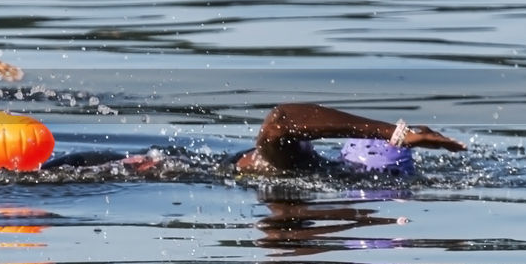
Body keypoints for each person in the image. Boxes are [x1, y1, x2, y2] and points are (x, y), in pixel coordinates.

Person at [42, 103, 466, 175]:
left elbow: (282, 119)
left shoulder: (310, 166)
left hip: (113, 170)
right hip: (136, 167)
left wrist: (392, 132)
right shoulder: (318, 173)